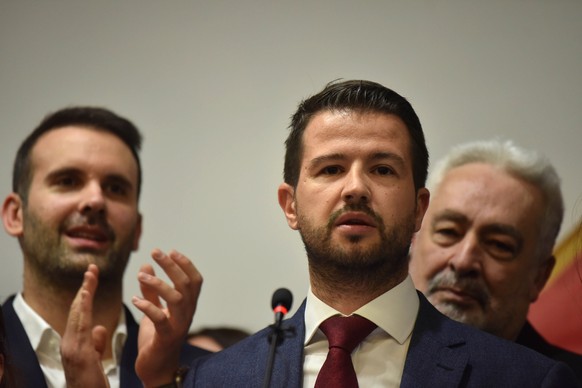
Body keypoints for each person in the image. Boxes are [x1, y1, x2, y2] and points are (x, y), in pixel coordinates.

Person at [60, 81, 581, 387]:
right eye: (331, 169)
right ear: (290, 205)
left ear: (420, 207)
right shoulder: (218, 380)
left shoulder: (528, 380)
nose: (355, 188)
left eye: (382, 169)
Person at [0, 107, 208, 388]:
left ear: (137, 229)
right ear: (15, 215)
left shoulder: (205, 374)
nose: (95, 200)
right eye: (68, 181)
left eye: (115, 188)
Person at [409, 139, 582, 380]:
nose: (463, 261)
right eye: (448, 232)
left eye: (499, 245)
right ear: (413, 239)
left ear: (539, 276)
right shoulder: (354, 347)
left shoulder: (563, 380)